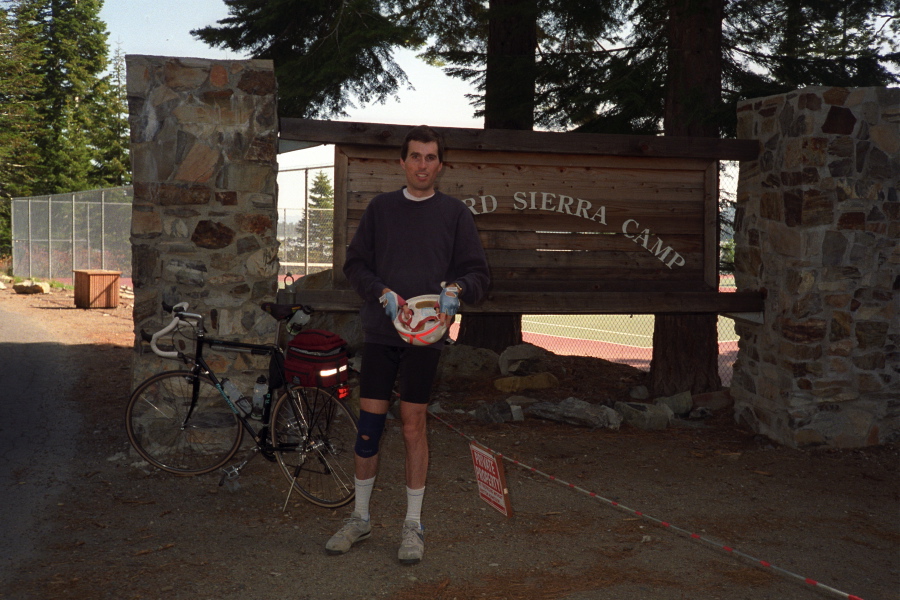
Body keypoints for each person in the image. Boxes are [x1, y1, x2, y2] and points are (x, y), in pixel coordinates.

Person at [326, 125, 490, 564]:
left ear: (441, 164)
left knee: (414, 424)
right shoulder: (381, 209)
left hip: (426, 337)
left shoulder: (455, 214)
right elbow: (355, 264)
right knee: (370, 428)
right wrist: (380, 292)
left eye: (430, 157)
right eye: (415, 156)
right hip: (382, 333)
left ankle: (412, 526)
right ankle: (359, 519)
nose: (422, 165)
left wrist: (457, 289)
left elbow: (479, 274)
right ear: (401, 162)